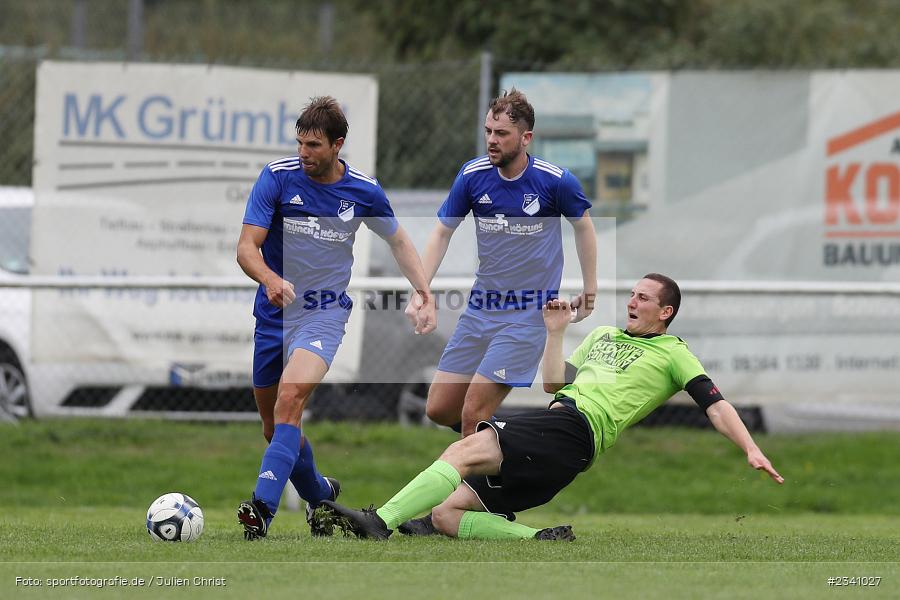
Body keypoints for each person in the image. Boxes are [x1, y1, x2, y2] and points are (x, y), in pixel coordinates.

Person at [317, 273, 784, 541]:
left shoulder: (674, 353)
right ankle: (538, 539)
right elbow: (553, 383)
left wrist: (750, 447)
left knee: (461, 451)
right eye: (634, 294)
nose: (633, 301)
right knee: (444, 516)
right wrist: (556, 331)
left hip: (575, 431)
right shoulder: (604, 336)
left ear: (666, 313)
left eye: (644, 297)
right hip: (561, 433)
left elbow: (716, 406)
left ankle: (379, 522)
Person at [235, 96, 436, 540]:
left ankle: (260, 509)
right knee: (274, 428)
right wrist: (270, 278)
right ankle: (322, 494)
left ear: (337, 145)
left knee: (291, 400)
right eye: (300, 143)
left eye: (314, 145)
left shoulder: (363, 190)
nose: (304, 152)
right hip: (273, 314)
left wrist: (423, 291)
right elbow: (247, 248)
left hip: (323, 312)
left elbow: (399, 241)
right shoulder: (277, 179)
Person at [406, 88, 597, 438]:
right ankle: (506, 447)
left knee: (472, 412)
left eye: (502, 134)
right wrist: (421, 290)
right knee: (439, 408)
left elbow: (584, 228)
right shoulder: (472, 175)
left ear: (526, 138)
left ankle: (473, 488)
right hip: (481, 308)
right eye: (488, 131)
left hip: (527, 316)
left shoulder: (556, 182)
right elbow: (441, 234)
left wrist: (590, 287)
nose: (491, 140)